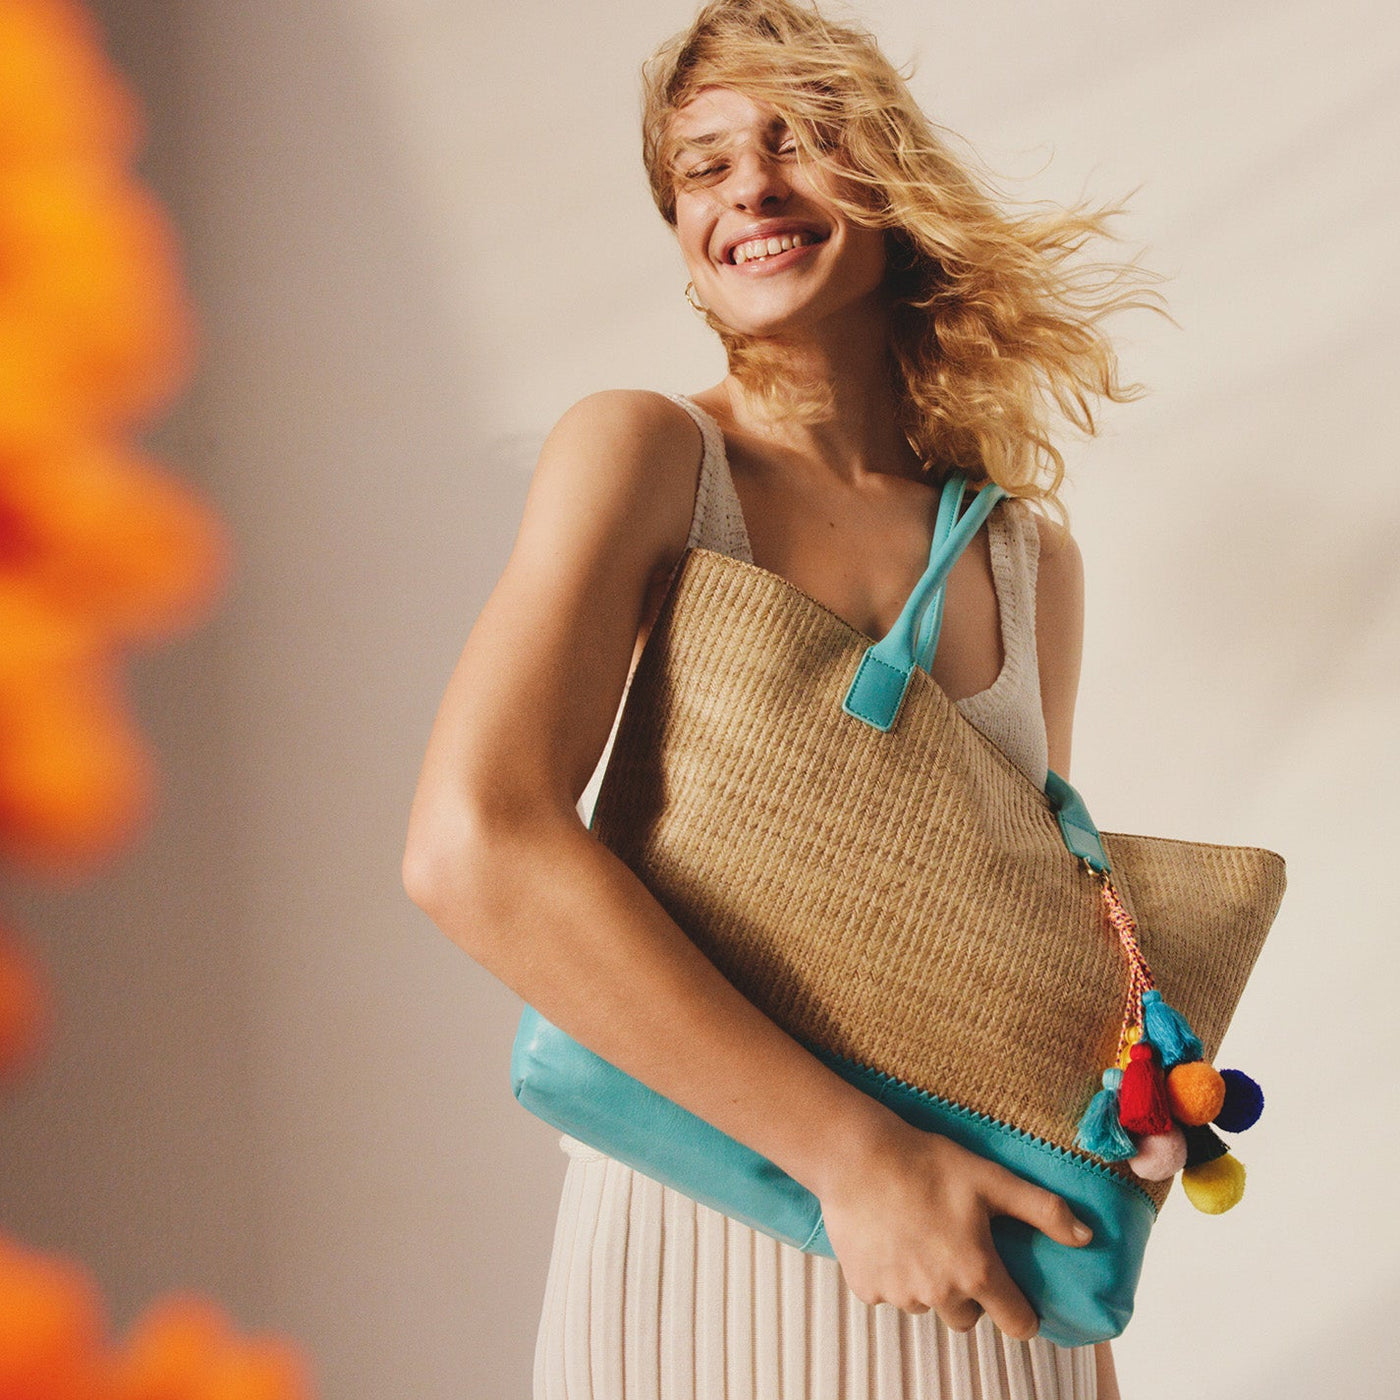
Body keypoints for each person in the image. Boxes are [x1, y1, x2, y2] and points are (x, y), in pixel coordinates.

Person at [404, 2, 1161, 1395]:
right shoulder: (647, 452)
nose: (749, 188)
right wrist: (856, 1162)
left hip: (979, 1272)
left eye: (798, 139)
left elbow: (1012, 938)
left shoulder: (1024, 557)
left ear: (891, 180)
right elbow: (476, 843)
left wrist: (1117, 1105)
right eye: (702, 167)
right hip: (700, 1233)